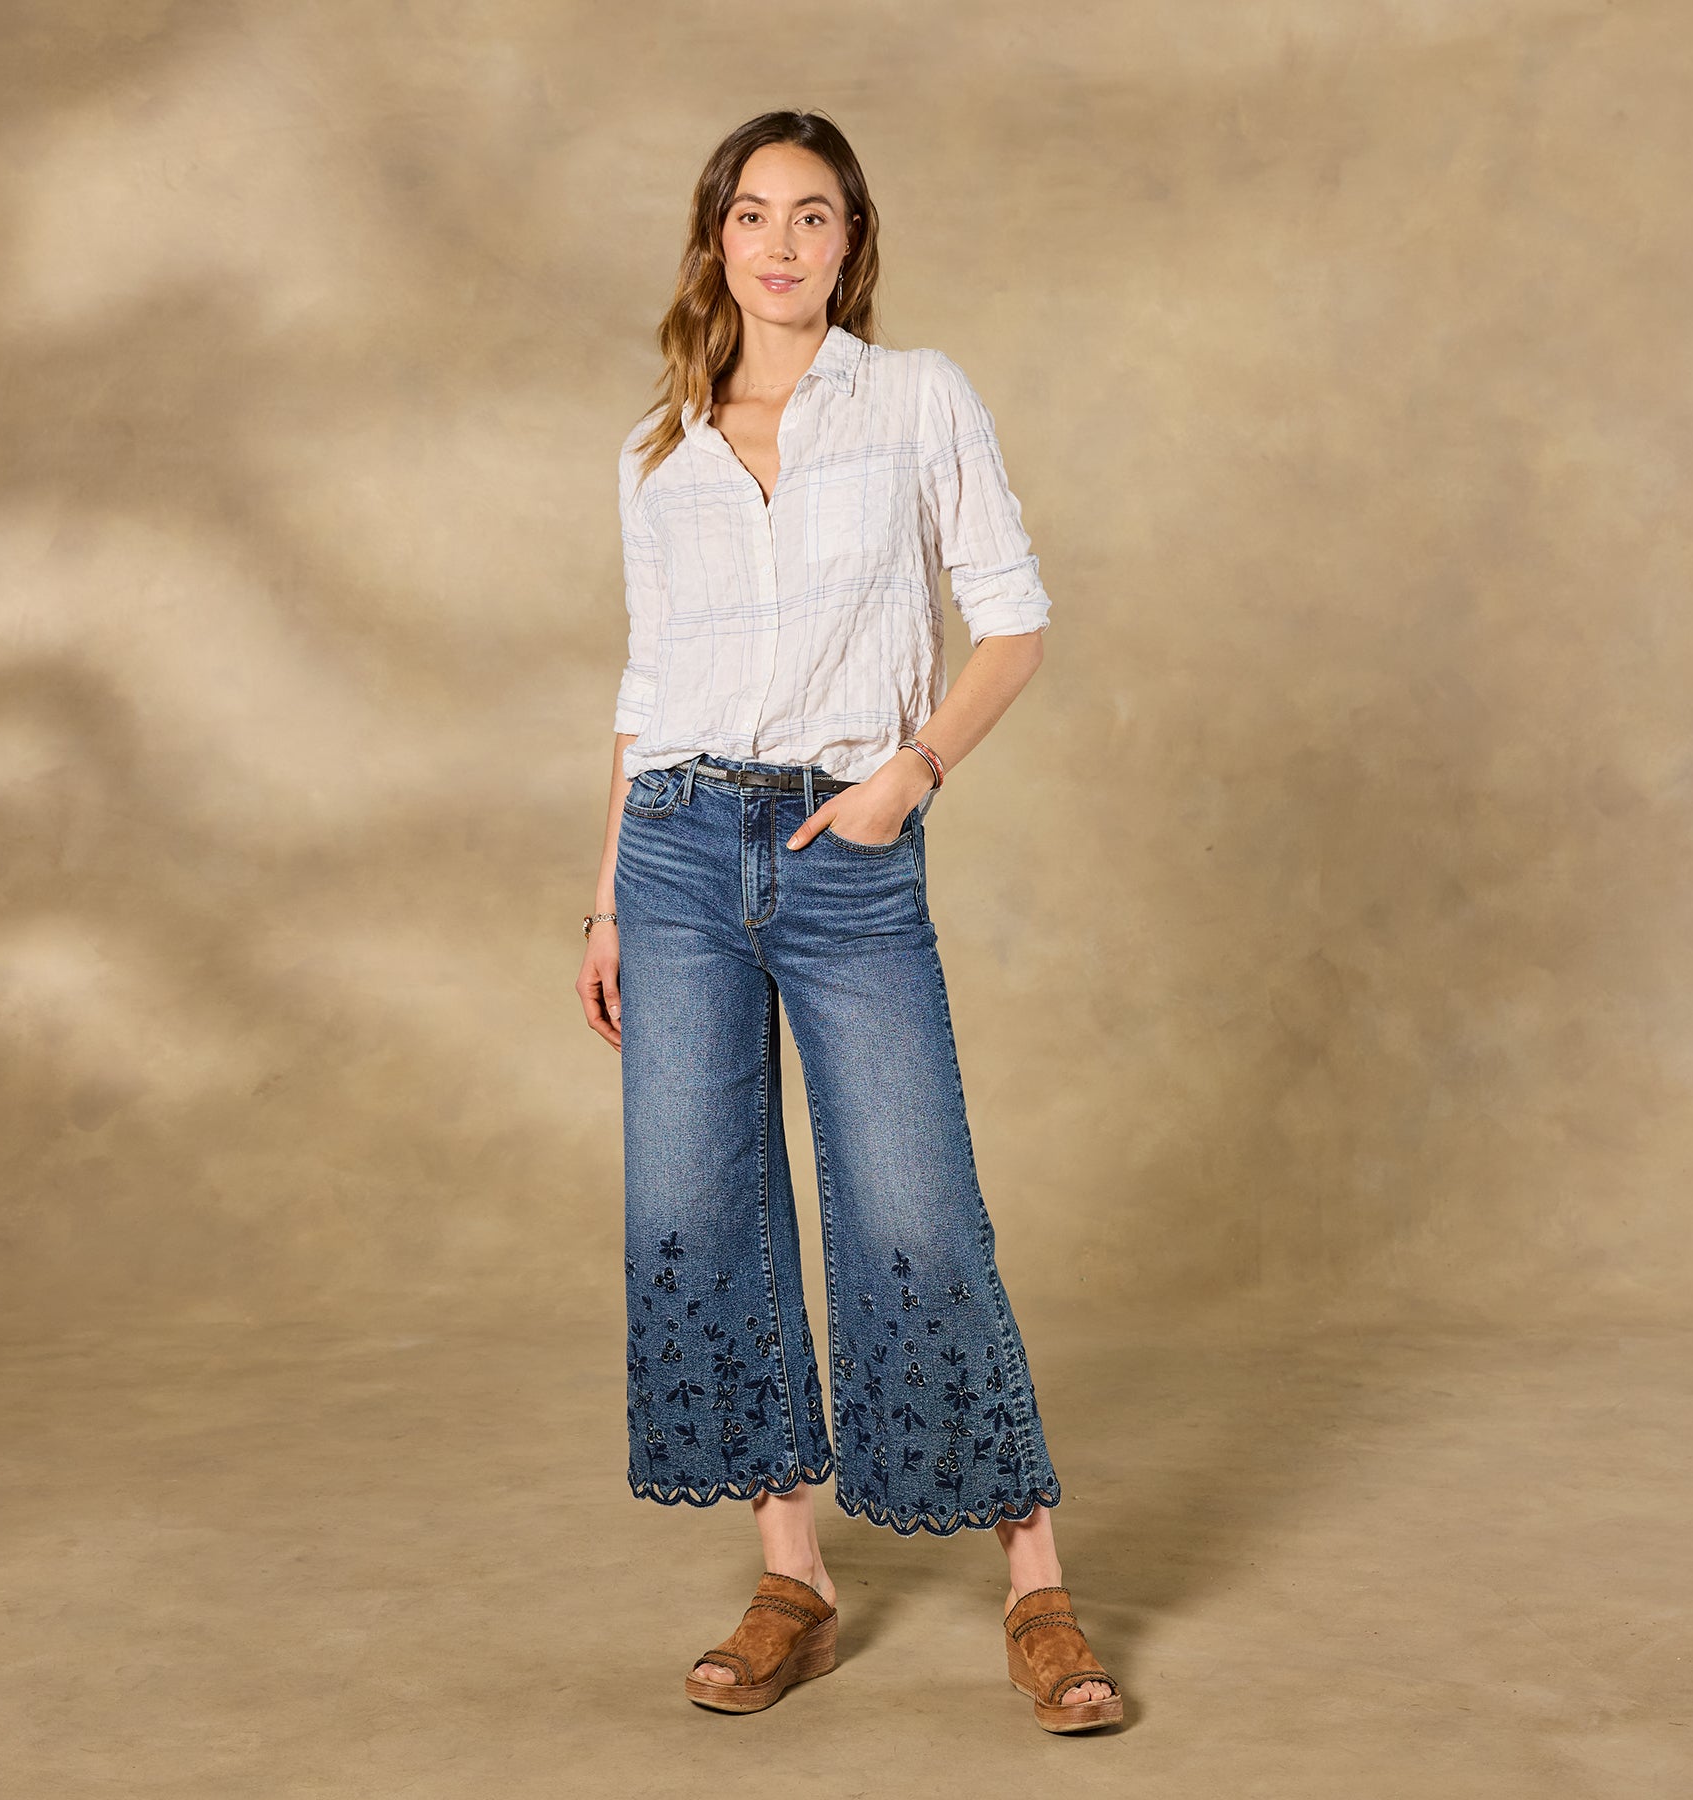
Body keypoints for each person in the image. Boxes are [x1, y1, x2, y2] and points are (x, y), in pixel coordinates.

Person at [576, 110, 1122, 1734]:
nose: (782, 243)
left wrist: (911, 774)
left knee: (914, 1209)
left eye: (813, 215)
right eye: (754, 214)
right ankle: (791, 1584)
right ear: (717, 238)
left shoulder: (917, 398)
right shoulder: (658, 449)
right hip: (675, 854)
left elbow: (1013, 622)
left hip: (844, 848)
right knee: (699, 1211)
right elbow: (647, 685)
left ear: (851, 241)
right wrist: (606, 898)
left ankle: (1038, 1591)